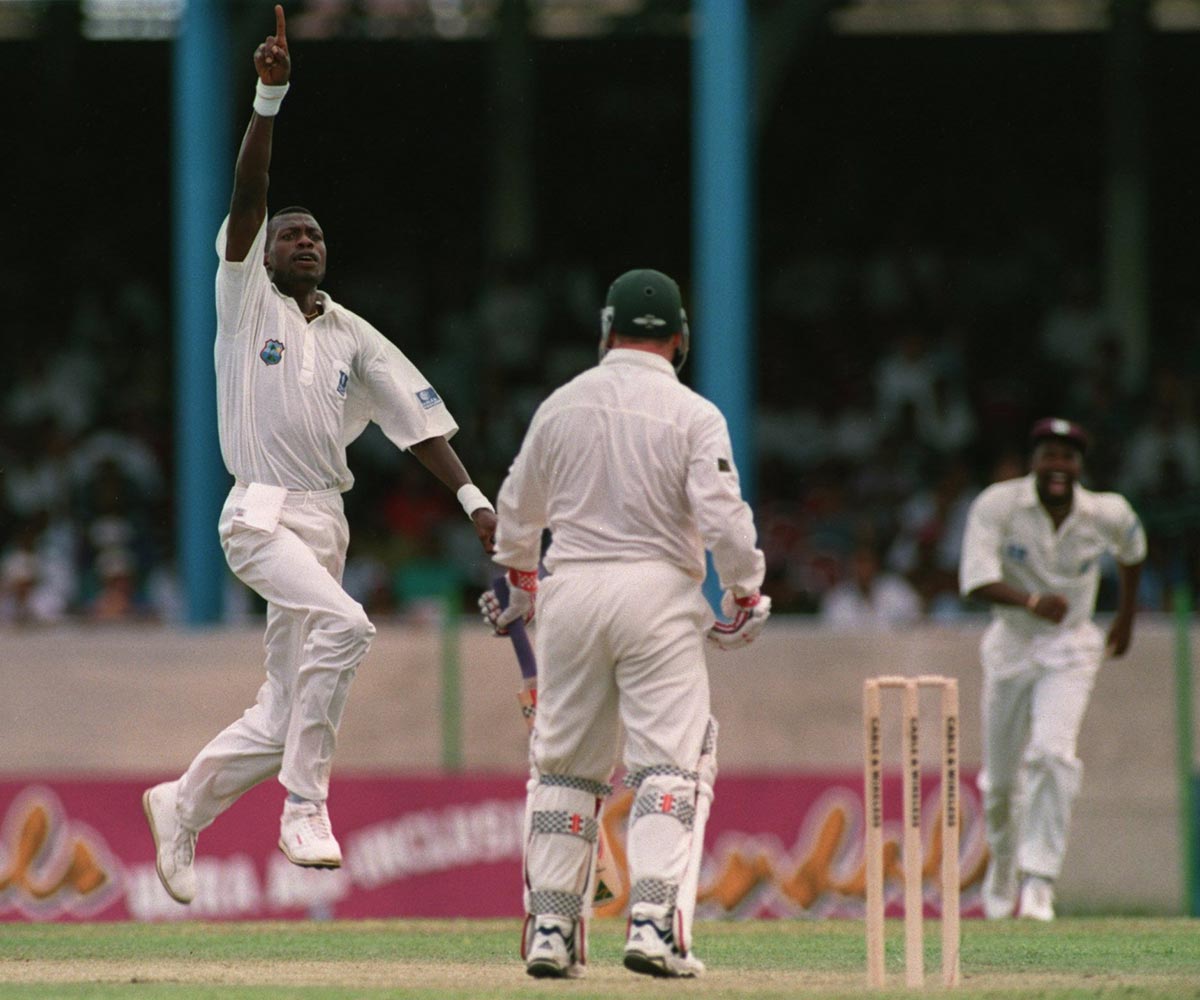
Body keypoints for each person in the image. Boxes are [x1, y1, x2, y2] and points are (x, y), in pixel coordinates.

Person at [142, 5, 498, 906]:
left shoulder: (350, 335)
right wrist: (270, 94)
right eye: (291, 235)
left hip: (323, 520)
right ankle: (306, 805)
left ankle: (180, 806)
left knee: (281, 710)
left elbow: (421, 425)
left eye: (316, 237)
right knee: (347, 626)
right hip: (259, 508)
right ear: (264, 253)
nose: (305, 242)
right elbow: (248, 197)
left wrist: (477, 506)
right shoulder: (243, 298)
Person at [479, 269, 770, 979]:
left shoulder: (561, 404)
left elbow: (516, 508)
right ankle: (652, 925)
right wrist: (745, 588)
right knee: (670, 765)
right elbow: (724, 516)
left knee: (565, 768)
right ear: (681, 339)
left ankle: (550, 930)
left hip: (571, 593)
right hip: (658, 596)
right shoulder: (695, 414)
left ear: (607, 331)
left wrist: (520, 580)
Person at [958, 417, 1145, 921]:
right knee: (999, 786)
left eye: (1067, 457)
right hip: (1012, 645)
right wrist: (1031, 600)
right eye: (1049, 456)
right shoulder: (998, 505)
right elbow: (974, 580)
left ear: (1079, 466)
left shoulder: (1106, 512)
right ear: (1033, 462)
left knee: (1052, 754)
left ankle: (1039, 882)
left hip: (1071, 647)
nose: (1058, 466)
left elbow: (1134, 551)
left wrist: (1125, 619)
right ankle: (1001, 866)